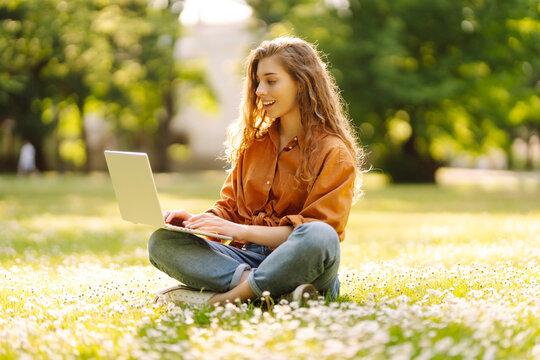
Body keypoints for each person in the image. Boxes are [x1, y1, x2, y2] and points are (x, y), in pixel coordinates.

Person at [148, 37, 364, 306]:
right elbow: (230, 208)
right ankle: (280, 290)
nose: (260, 90)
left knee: (320, 235)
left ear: (302, 82)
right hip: (246, 259)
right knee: (162, 242)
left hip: (303, 261)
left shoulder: (333, 151)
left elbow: (317, 234)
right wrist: (197, 221)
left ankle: (225, 299)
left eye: (271, 81)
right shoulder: (253, 144)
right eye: (258, 82)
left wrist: (239, 231)